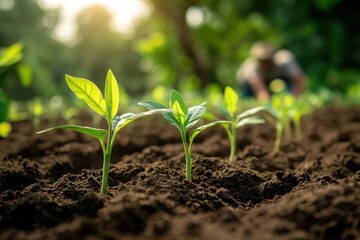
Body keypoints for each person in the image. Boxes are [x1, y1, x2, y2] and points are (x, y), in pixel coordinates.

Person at [236, 41, 306, 101]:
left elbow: (300, 80)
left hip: (279, 79)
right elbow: (260, 92)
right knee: (250, 100)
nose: (266, 63)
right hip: (250, 85)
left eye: (268, 59)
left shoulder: (284, 60)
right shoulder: (251, 67)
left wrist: (294, 98)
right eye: (262, 60)